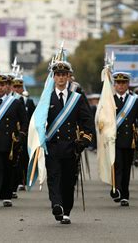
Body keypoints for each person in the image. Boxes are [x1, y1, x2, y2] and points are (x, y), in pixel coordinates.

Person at [45, 56, 94, 224]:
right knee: (54, 178)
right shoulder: (46, 99)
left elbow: (87, 121)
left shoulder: (77, 98)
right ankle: (56, 205)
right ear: (53, 77)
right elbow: (37, 123)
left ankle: (66, 211)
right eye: (57, 74)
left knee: (68, 181)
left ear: (68, 77)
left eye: (63, 74)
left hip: (71, 147)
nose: (60, 77)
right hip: (52, 147)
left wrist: (84, 141)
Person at [0, 74, 28, 208]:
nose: (0, 88)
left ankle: (7, 195)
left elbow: (24, 121)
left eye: (2, 85)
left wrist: (21, 135)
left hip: (11, 143)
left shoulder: (15, 102)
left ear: (7, 86)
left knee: (9, 169)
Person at [109, 72, 138, 207]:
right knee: (117, 165)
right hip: (114, 139)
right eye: (118, 83)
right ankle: (116, 189)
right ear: (114, 85)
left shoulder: (135, 100)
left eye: (123, 83)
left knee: (126, 168)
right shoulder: (109, 99)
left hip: (129, 139)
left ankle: (124, 194)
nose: (120, 85)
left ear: (128, 84)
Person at [11, 77, 36, 193]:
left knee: (25, 158)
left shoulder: (28, 102)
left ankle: (23, 181)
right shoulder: (10, 100)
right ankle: (15, 182)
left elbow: (32, 118)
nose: (17, 89)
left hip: (25, 134)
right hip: (12, 134)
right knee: (15, 158)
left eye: (19, 87)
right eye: (15, 87)